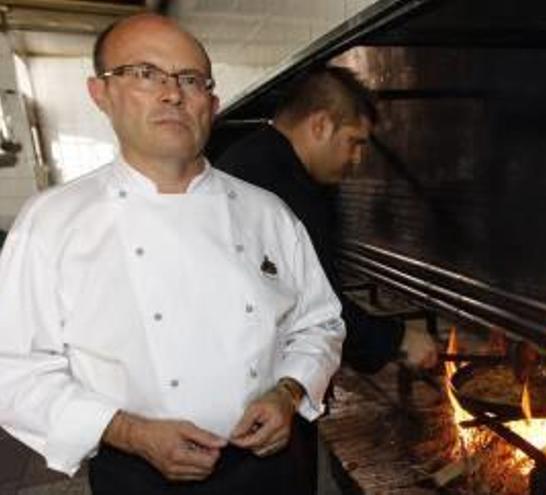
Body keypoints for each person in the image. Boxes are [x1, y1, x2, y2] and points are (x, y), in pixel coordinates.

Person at [0, 14, 344, 495]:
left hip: (275, 468)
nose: (172, 94)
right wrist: (131, 433)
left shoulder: (268, 212)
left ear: (212, 102)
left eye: (190, 80)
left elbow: (321, 323)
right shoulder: (52, 223)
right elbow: (13, 368)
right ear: (101, 93)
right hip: (140, 478)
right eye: (144, 74)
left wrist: (289, 393)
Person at [216, 66, 437, 374]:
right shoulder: (282, 190)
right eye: (354, 142)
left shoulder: (254, 159)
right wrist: (399, 340)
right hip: (258, 383)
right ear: (320, 125)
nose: (357, 159)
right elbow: (315, 309)